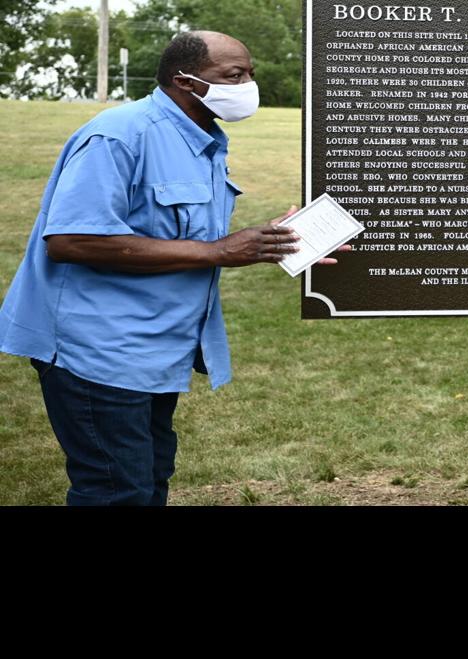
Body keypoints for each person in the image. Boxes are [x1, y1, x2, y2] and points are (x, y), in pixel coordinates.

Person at [0, 31, 350, 506]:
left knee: (148, 477)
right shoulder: (121, 135)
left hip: (155, 348)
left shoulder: (202, 138)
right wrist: (218, 253)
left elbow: (186, 236)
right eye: (234, 75)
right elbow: (69, 239)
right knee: (115, 489)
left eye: (250, 75)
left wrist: (272, 239)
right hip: (97, 348)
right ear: (186, 81)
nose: (248, 85)